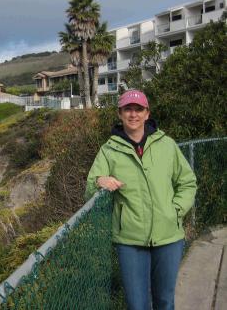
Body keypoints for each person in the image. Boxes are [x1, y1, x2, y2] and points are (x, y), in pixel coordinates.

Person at [85, 90, 197, 310]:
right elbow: (89, 188)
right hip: (130, 240)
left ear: (147, 113)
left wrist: (175, 211)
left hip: (168, 237)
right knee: (137, 305)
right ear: (120, 113)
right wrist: (99, 180)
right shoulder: (109, 150)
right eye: (128, 109)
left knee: (165, 301)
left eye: (139, 109)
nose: (133, 114)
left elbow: (188, 182)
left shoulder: (167, 145)